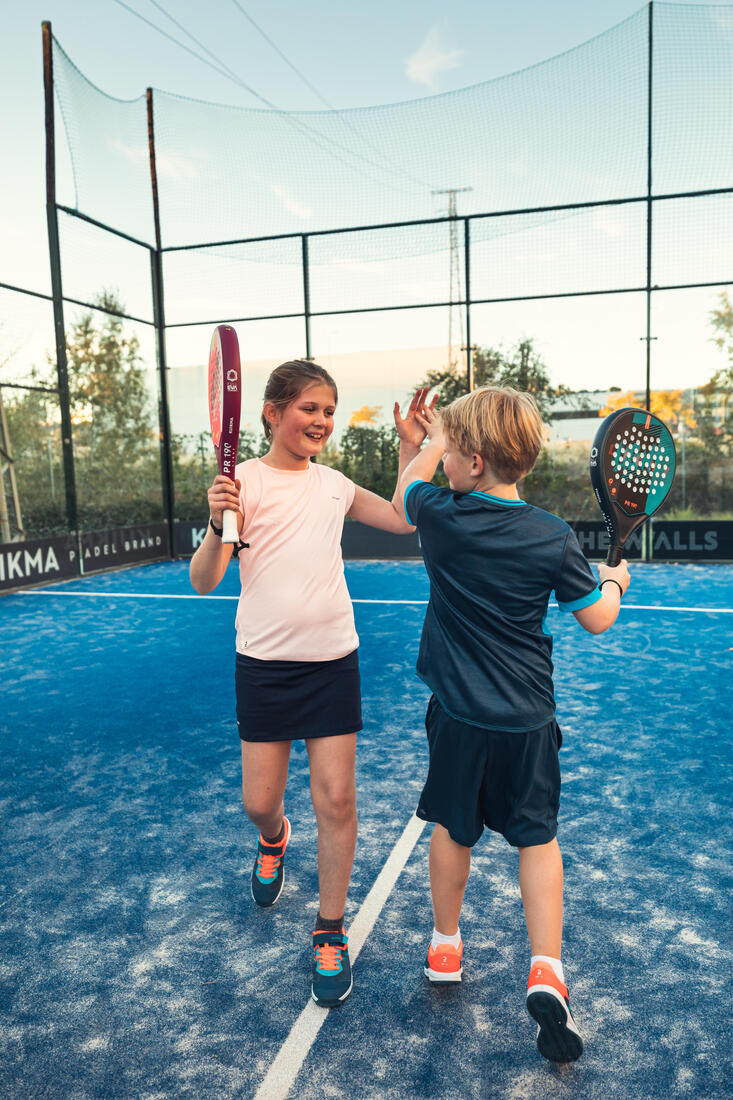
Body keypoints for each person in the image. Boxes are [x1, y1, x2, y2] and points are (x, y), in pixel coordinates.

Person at [397, 386, 630, 1063]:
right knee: (538, 842)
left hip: (459, 721)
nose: (441, 465)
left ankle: (445, 946)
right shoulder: (551, 536)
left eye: (449, 454)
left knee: (451, 828)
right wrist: (614, 581)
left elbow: (405, 489)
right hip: (527, 722)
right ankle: (546, 967)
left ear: (470, 461)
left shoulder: (438, 515)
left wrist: (421, 439)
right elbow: (596, 617)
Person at [189, 359, 432, 1008]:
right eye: (309, 409)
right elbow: (205, 579)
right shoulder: (239, 483)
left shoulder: (334, 485)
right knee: (258, 803)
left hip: (332, 664)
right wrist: (217, 525)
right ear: (271, 413)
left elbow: (404, 518)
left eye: (329, 410)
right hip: (264, 667)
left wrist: (412, 445)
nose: (321, 420)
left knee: (337, 801)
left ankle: (328, 927)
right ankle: (274, 838)